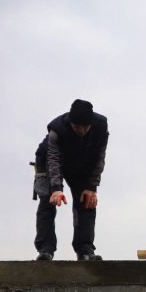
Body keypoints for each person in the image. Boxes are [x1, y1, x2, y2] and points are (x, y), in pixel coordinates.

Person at [33, 99, 109, 261]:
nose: (81, 130)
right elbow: (53, 159)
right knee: (48, 201)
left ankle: (85, 250)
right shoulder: (57, 130)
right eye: (77, 127)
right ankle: (45, 249)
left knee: (87, 201)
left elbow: (99, 158)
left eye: (85, 127)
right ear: (70, 122)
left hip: (81, 165)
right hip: (48, 162)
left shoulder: (101, 127)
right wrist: (56, 188)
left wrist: (91, 187)